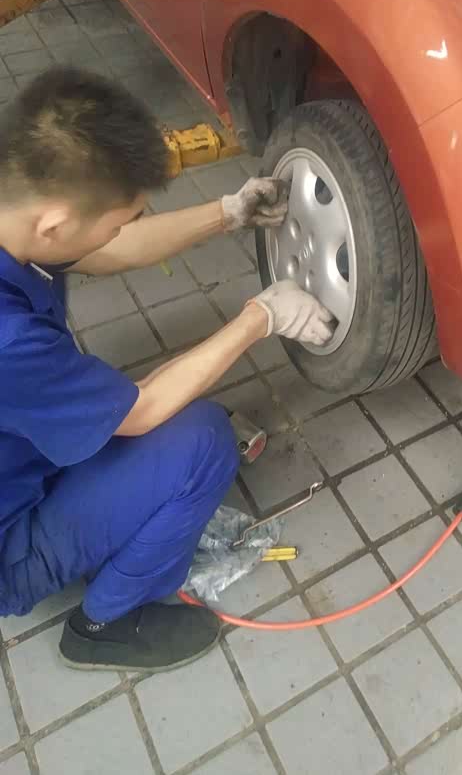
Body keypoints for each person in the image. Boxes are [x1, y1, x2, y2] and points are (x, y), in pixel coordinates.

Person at [0, 67, 334, 673]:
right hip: (9, 547)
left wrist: (227, 212)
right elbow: (141, 410)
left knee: (158, 410)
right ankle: (104, 624)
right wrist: (261, 318)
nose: (120, 232)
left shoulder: (19, 214)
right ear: (54, 224)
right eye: (118, 219)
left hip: (19, 452)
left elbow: (104, 247)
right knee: (203, 440)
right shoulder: (9, 339)